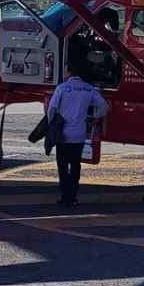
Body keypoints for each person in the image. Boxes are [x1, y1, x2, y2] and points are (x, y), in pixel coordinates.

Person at [46, 60, 109, 206]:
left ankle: (64, 196)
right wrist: (95, 119)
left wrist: (51, 124)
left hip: (63, 134)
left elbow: (52, 109)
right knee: (75, 166)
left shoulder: (62, 88)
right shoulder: (88, 89)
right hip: (79, 134)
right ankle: (73, 196)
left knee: (62, 166)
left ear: (69, 72)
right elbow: (104, 106)